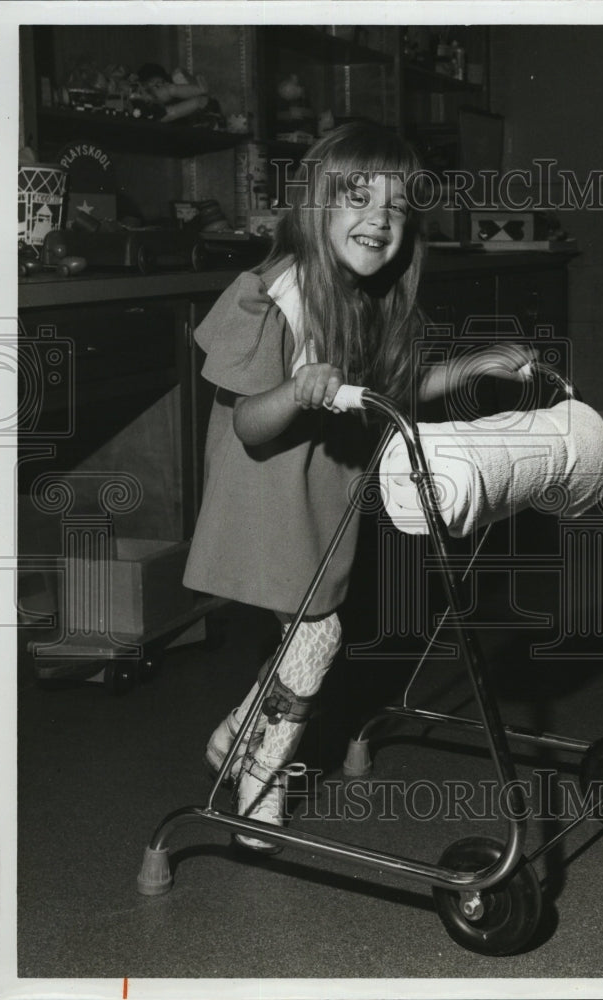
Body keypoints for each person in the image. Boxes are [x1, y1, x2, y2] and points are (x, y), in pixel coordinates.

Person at [184, 121, 534, 852]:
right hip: (266, 494)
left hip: (322, 493)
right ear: (316, 202)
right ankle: (259, 789)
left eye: (398, 205)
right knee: (315, 639)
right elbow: (250, 424)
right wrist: (300, 391)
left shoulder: (366, 299)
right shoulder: (275, 292)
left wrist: (475, 368)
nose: (380, 216)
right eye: (358, 195)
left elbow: (390, 395)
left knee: (303, 639)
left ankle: (238, 734)